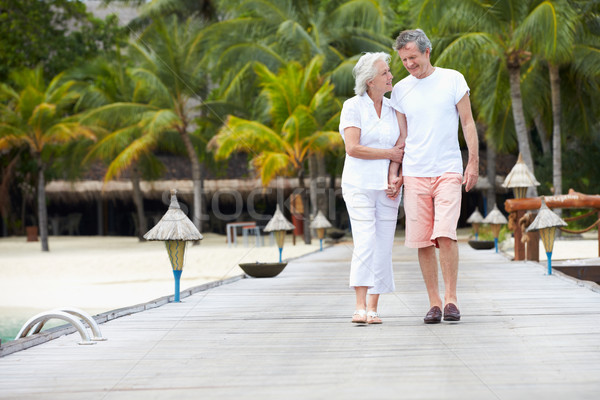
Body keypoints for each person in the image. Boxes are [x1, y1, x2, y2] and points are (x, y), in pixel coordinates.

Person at [388, 29, 479, 324]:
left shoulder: (453, 79)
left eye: (412, 57)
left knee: (445, 234)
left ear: (428, 51)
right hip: (415, 174)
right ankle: (434, 303)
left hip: (448, 170)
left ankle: (452, 298)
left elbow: (467, 122)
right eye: (403, 60)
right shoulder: (400, 90)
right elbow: (402, 138)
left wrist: (473, 162)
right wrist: (397, 172)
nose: (409, 64)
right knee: (422, 241)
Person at [339, 52, 405, 324]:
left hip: (387, 189)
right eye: (385, 73)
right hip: (358, 186)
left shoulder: (393, 108)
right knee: (365, 242)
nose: (391, 76)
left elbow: (401, 146)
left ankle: (374, 307)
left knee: (383, 245)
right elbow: (352, 148)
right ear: (370, 81)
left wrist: (394, 176)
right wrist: (389, 154)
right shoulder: (352, 106)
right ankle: (359, 305)